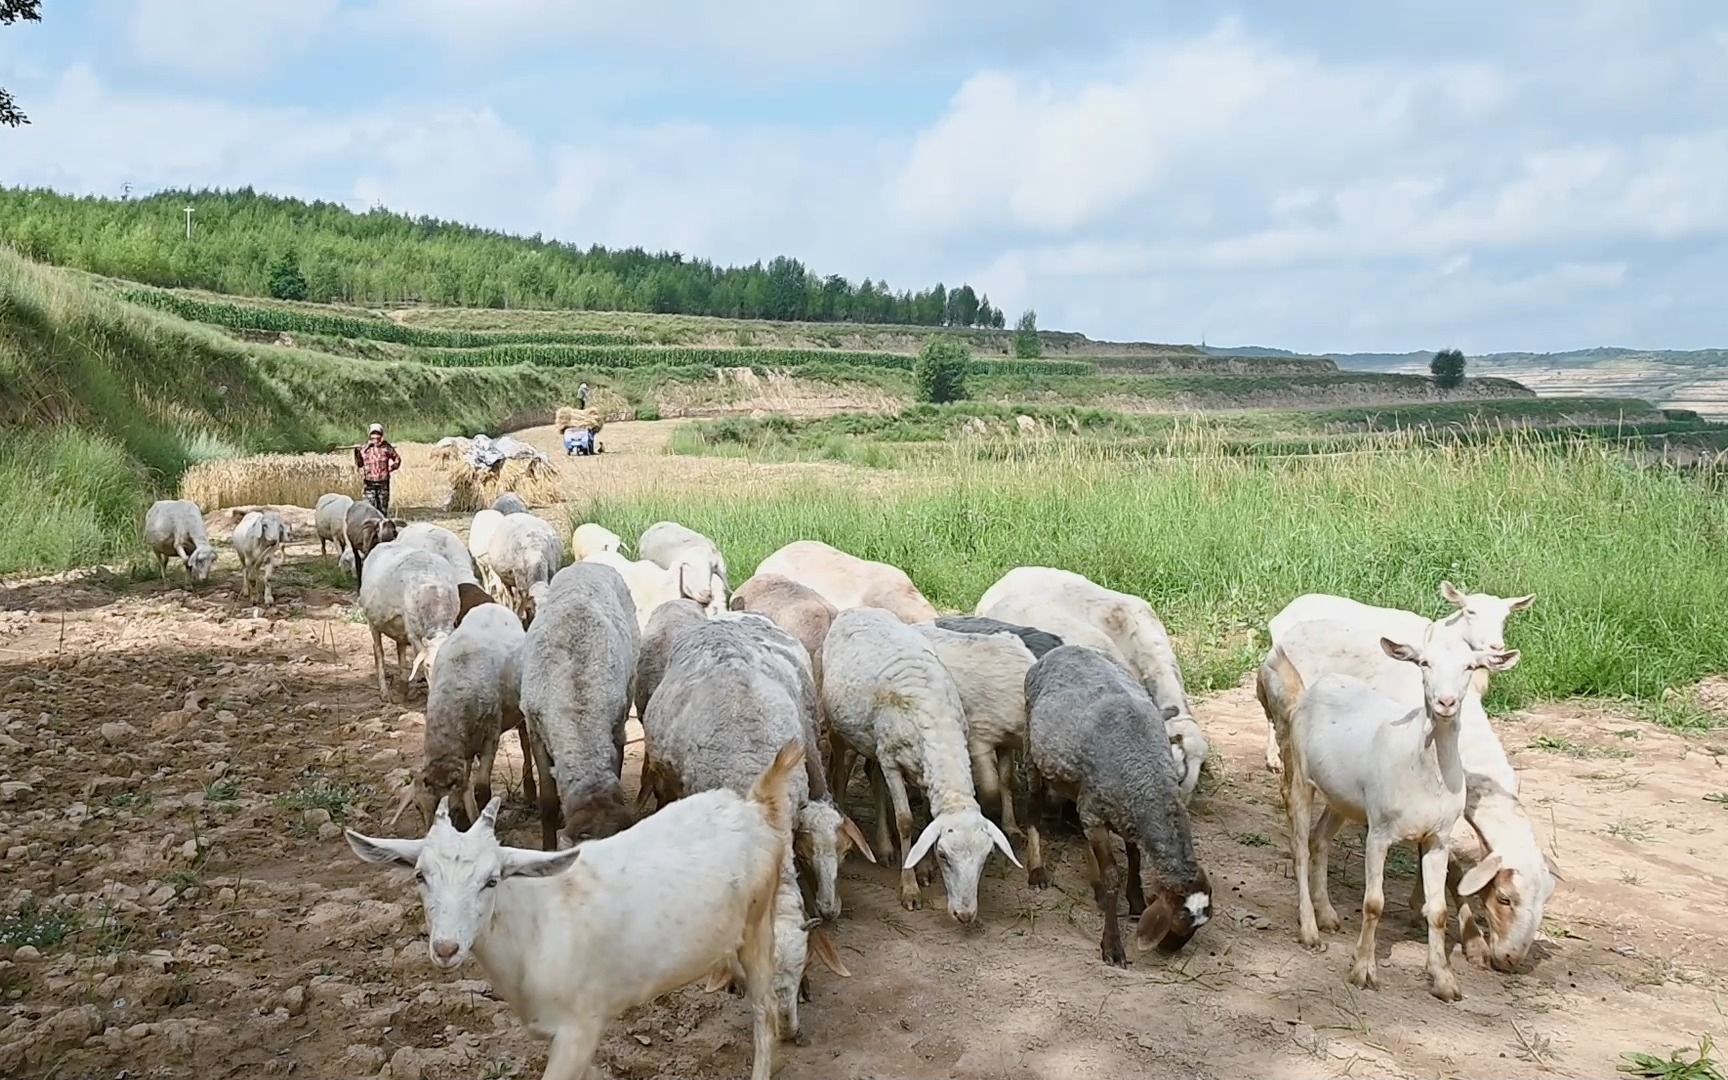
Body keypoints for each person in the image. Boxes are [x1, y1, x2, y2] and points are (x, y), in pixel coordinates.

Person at [353, 423, 402, 513]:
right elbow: (360, 464)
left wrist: (393, 467)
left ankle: (382, 525)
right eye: (373, 434)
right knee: (369, 509)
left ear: (381, 435)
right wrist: (357, 453)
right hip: (369, 483)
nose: (375, 437)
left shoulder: (386, 447)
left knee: (382, 509)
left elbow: (397, 459)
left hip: (383, 482)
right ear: (370, 436)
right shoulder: (364, 449)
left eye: (378, 434)